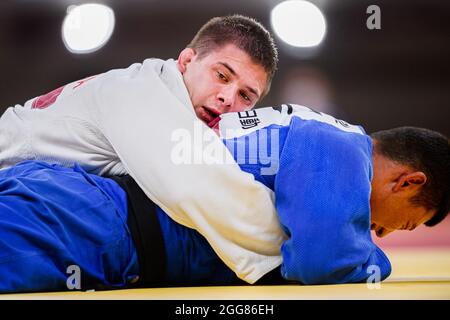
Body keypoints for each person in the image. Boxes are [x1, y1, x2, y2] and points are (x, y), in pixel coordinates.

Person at [1, 104, 448, 292]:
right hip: (86, 224)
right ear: (408, 181)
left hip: (89, 220)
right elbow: (323, 260)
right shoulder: (341, 149)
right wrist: (377, 264)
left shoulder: (326, 140)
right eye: (404, 223)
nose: (382, 233)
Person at [0, 15, 286, 284]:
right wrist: (299, 243)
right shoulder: (142, 97)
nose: (227, 98)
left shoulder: (151, 88)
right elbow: (202, 192)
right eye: (222, 76)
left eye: (246, 96)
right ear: (187, 60)